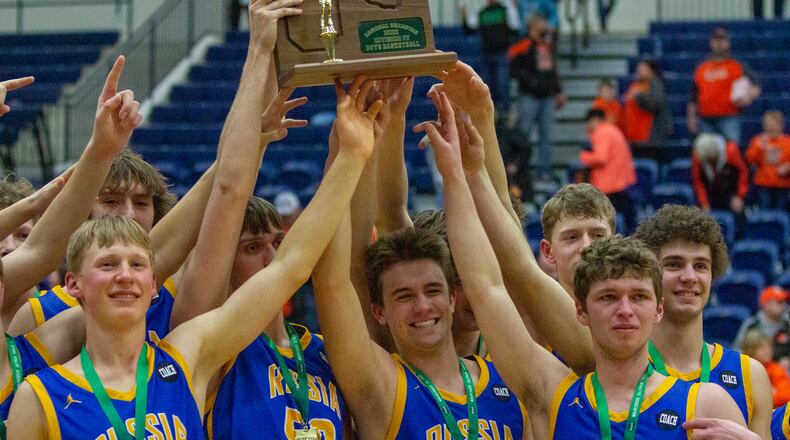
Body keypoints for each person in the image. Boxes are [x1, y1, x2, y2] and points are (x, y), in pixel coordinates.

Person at [412, 94, 753, 438]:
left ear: (659, 308)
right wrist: (461, 174)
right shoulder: (553, 395)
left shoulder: (707, 403)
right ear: (581, 310)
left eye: (638, 296)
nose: (624, 310)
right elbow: (489, 286)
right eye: (607, 297)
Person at [634, 204, 773, 437]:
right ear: (647, 273)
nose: (689, 277)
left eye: (700, 266)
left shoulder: (750, 374)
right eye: (674, 264)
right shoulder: (624, 367)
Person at [509, 13, 565, 182]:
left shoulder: (547, 45)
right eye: (541, 23)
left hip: (547, 97)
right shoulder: (522, 46)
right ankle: (519, 170)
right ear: (532, 26)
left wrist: (559, 91)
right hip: (529, 96)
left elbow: (552, 71)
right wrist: (531, 82)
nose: (545, 26)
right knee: (523, 134)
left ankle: (543, 170)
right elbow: (514, 69)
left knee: (546, 135)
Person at [687, 26, 760, 144]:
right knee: (708, 152)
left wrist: (748, 97)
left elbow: (756, 85)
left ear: (728, 43)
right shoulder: (702, 67)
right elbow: (693, 95)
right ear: (711, 43)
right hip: (706, 118)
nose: (719, 43)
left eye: (722, 39)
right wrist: (691, 119)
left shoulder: (737, 65)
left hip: (730, 117)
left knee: (731, 150)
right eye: (716, 40)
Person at [579, 108, 637, 234]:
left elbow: (601, 157)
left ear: (594, 120)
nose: (588, 127)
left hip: (610, 185)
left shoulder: (601, 132)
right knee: (627, 222)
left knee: (606, 224)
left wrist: (584, 156)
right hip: (621, 182)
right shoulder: (612, 130)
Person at [461, 0, 519, 113]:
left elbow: (515, 29)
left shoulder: (505, 9)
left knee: (502, 85)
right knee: (489, 85)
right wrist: (464, 16)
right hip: (486, 54)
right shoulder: (481, 11)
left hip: (502, 53)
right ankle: (492, 112)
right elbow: (469, 29)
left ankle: (504, 112)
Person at [691, 132, 749, 215]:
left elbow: (743, 172)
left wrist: (740, 196)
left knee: (738, 210)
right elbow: (698, 180)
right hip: (710, 191)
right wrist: (704, 203)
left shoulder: (731, 150)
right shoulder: (698, 155)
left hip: (731, 191)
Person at [745, 110, 790, 211]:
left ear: (781, 125)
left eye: (774, 124)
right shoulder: (758, 141)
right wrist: (759, 147)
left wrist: (788, 167)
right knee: (764, 213)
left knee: (781, 213)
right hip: (763, 186)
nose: (771, 127)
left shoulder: (788, 142)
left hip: (783, 185)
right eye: (768, 124)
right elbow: (750, 160)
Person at [623, 59, 671, 147]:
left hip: (651, 133)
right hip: (638, 132)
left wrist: (638, 96)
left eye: (642, 69)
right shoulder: (638, 84)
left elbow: (656, 103)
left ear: (651, 70)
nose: (638, 72)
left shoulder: (656, 83)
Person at [740, 329, 790, 408]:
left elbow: (786, 396)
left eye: (769, 346)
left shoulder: (776, 369)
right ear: (750, 349)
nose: (768, 351)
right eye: (762, 348)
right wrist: (769, 392)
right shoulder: (741, 367)